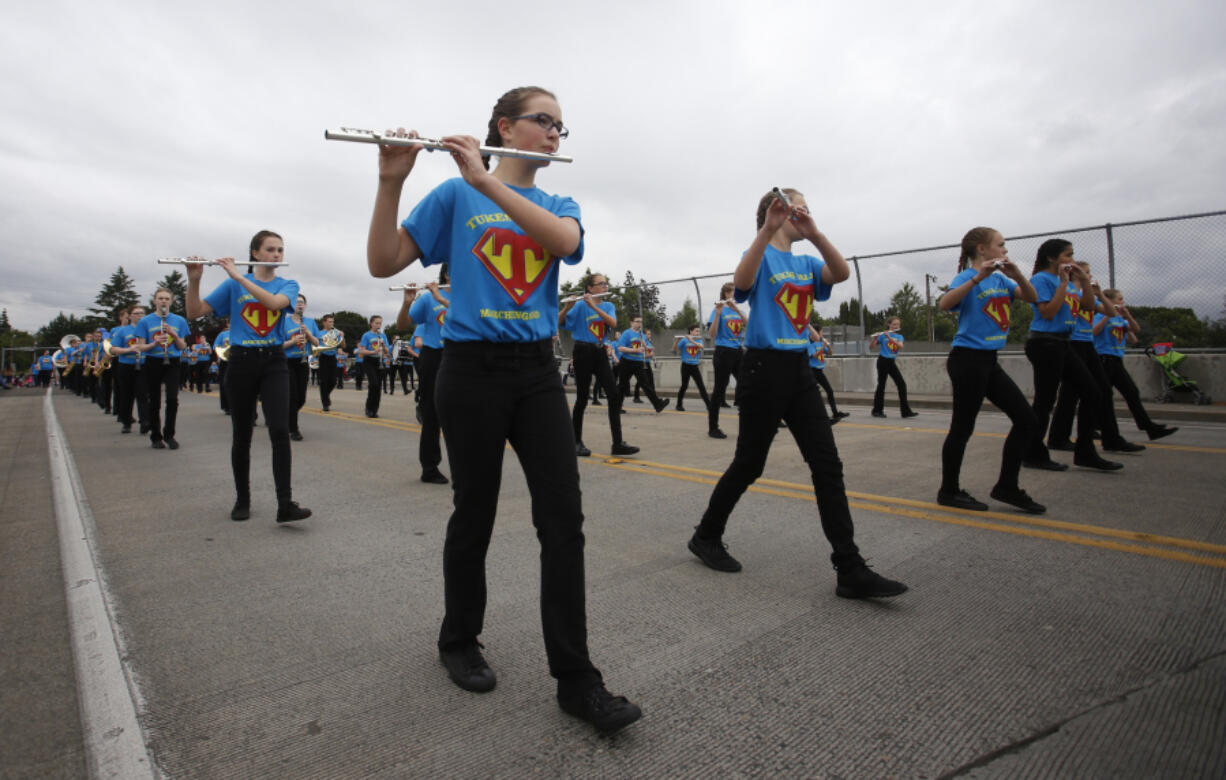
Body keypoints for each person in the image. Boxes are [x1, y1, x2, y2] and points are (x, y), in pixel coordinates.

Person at [366, 86, 640, 732]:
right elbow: (382, 262)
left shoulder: (550, 200)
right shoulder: (454, 196)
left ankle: (576, 678)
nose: (554, 135)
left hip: (536, 373)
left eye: (560, 127)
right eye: (543, 122)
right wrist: (390, 182)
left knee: (563, 521)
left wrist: (485, 180)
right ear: (504, 126)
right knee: (475, 511)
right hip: (469, 370)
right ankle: (458, 639)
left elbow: (563, 242)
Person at [688, 187, 906, 600]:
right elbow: (741, 282)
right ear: (776, 213)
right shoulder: (759, 255)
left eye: (807, 207)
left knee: (827, 464)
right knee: (749, 464)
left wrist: (817, 232)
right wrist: (767, 229)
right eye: (797, 207)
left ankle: (850, 567)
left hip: (799, 371)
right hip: (763, 369)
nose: (804, 212)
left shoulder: (806, 261)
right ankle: (706, 534)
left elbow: (839, 273)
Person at [184, 233, 312, 524]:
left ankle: (284, 504)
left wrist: (239, 277)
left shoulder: (287, 285)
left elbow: (274, 305)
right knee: (242, 434)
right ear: (255, 253)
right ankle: (242, 499)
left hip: (274, 361)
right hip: (241, 361)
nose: (277, 254)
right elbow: (194, 312)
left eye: (280, 249)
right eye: (270, 249)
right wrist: (194, 280)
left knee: (279, 429)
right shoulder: (232, 284)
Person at [936, 227, 1045, 513]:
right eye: (1001, 245)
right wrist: (978, 277)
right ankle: (948, 490)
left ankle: (1007, 486)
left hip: (989, 361)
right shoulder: (968, 277)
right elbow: (945, 304)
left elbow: (1032, 297)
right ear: (982, 249)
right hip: (967, 360)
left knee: (1026, 419)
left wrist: (1017, 275)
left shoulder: (1001, 279)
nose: (1005, 249)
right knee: (962, 428)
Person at [1023, 239, 1122, 471]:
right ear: (1052, 257)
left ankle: (1085, 452)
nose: (1072, 260)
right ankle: (1033, 452)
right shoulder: (1042, 280)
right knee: (1045, 401)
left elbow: (1087, 306)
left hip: (1064, 343)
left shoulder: (1066, 283)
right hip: (1045, 343)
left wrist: (1085, 281)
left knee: (1093, 392)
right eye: (1068, 255)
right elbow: (1047, 312)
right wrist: (1063, 284)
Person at [1045, 261, 1144, 454]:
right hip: (1074, 342)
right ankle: (1076, 437)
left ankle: (1085, 436)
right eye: (1086, 273)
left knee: (1088, 393)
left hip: (1085, 343)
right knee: (1080, 394)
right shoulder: (1070, 292)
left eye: (1088, 272)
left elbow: (1110, 311)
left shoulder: (1085, 294)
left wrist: (1099, 294)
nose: (1089, 276)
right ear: (1075, 275)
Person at [560, 272, 637, 456]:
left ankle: (617, 443)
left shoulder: (608, 305)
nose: (605, 286)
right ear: (590, 288)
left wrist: (594, 306)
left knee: (613, 394)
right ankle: (576, 441)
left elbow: (612, 322)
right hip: (583, 351)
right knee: (582, 398)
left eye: (606, 283)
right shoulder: (579, 306)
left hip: (601, 351)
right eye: (601, 283)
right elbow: (558, 321)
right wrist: (567, 308)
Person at [1094, 289, 1179, 442]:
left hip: (1116, 359)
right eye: (1119, 299)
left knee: (1131, 392)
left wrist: (1127, 316)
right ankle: (1101, 427)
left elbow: (1134, 334)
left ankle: (1147, 427)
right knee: (1104, 397)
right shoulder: (1099, 315)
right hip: (1103, 358)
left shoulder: (1120, 319)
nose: (1122, 302)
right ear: (1109, 300)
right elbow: (1093, 332)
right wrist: (1108, 315)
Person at [396, 277, 451, 483]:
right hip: (434, 356)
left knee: (465, 413)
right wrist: (407, 302)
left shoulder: (469, 295)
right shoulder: (428, 298)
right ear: (447, 275)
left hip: (462, 355)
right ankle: (429, 467)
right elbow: (402, 325)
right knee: (432, 413)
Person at [133, 289, 189, 449]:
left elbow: (182, 346)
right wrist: (154, 343)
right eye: (160, 298)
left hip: (172, 361)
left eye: (166, 298)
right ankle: (155, 436)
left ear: (171, 301)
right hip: (153, 361)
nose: (163, 301)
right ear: (155, 301)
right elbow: (141, 346)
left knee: (172, 398)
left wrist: (174, 335)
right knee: (154, 399)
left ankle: (170, 434)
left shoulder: (179, 320)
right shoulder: (145, 321)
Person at [707, 283, 746, 439]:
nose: (733, 295)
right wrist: (717, 314)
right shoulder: (718, 311)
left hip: (738, 351)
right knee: (719, 389)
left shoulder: (738, 311)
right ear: (725, 294)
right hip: (723, 351)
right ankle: (713, 427)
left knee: (745, 384)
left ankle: (746, 418)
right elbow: (712, 334)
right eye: (730, 292)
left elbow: (748, 324)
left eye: (735, 292)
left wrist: (736, 309)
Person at [282, 294, 321, 441]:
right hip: (287, 362)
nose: (300, 305)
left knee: (301, 398)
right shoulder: (284, 322)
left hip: (303, 362)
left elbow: (317, 343)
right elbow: (278, 345)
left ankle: (286, 417)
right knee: (293, 396)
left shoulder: (310, 322)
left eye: (302, 303)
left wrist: (309, 335)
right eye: (297, 302)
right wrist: (293, 341)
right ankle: (293, 429)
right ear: (291, 305)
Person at [616, 317, 669, 413]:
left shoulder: (641, 334)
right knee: (622, 385)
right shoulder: (626, 333)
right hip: (626, 362)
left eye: (640, 322)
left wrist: (649, 348)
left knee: (646, 384)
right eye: (637, 321)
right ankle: (617, 407)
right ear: (631, 322)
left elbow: (644, 346)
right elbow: (620, 348)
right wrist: (635, 350)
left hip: (638, 362)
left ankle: (658, 405)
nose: (639, 323)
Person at [110, 304, 148, 434]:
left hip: (143, 365)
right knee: (126, 395)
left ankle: (145, 422)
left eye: (142, 313)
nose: (139, 316)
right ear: (130, 316)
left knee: (143, 395)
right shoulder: (123, 331)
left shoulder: (148, 330)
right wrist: (129, 349)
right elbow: (113, 349)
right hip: (126, 365)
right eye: (136, 313)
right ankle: (126, 422)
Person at [868, 317, 917, 418]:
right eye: (894, 324)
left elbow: (900, 346)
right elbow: (871, 347)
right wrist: (875, 338)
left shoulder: (899, 336)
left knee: (901, 384)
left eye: (898, 325)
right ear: (889, 325)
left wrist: (890, 337)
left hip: (891, 362)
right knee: (881, 386)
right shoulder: (883, 336)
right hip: (882, 361)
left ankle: (905, 411)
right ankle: (877, 411)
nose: (896, 326)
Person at [807, 323, 848, 423]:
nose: (822, 334)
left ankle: (835, 412)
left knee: (829, 391)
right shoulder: (809, 343)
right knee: (813, 395)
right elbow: (814, 356)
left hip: (820, 371)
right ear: (815, 333)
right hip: (812, 371)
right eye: (821, 332)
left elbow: (830, 353)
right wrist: (822, 347)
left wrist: (828, 346)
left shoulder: (820, 342)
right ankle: (816, 416)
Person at [357, 315, 391, 417]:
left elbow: (387, 351)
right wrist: (374, 351)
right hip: (369, 361)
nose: (378, 325)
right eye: (376, 323)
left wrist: (384, 345)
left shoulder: (383, 336)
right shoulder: (366, 335)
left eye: (380, 323)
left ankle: (374, 410)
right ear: (371, 323)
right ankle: (369, 408)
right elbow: (362, 350)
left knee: (378, 386)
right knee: (374, 384)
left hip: (379, 361)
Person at [673, 324, 711, 413]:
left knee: (701, 386)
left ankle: (709, 405)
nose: (698, 333)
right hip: (685, 366)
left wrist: (692, 340)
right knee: (684, 386)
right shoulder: (684, 340)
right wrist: (676, 341)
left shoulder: (699, 340)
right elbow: (674, 349)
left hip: (694, 366)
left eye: (698, 331)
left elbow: (702, 347)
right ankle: (679, 405)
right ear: (691, 331)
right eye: (696, 331)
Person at [315, 314, 343, 411]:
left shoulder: (336, 332)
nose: (332, 323)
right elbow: (315, 346)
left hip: (332, 357)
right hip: (323, 357)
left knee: (333, 381)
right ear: (324, 322)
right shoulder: (319, 333)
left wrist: (342, 336)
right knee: (324, 381)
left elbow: (343, 345)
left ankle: (325, 396)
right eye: (330, 321)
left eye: (333, 321)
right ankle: (325, 403)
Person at [214, 323, 231, 414]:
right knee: (224, 383)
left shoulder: (239, 332)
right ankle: (226, 406)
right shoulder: (222, 334)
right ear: (227, 324)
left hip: (237, 359)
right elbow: (216, 345)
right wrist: (219, 356)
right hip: (225, 360)